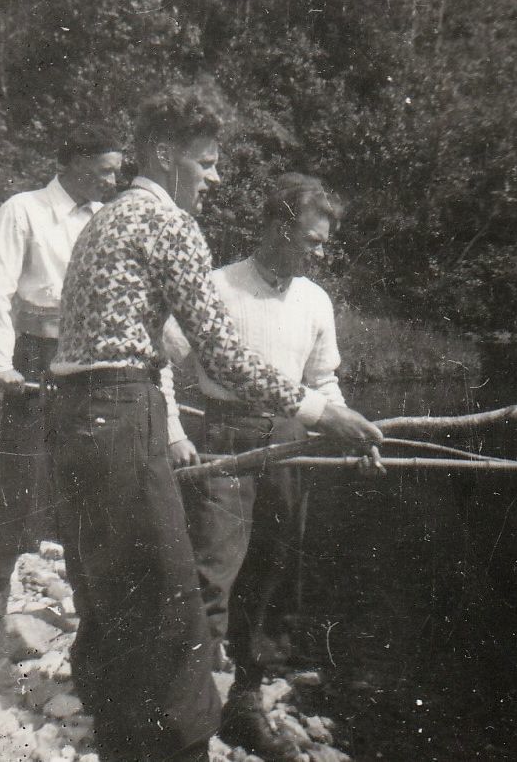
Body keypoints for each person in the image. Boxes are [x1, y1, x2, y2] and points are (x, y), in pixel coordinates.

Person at [47, 87, 383, 762]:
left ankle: (123, 742)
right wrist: (324, 412)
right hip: (124, 416)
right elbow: (225, 355)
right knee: (175, 608)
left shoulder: (102, 219)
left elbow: (140, 339)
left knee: (116, 597)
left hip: (72, 416)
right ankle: (185, 749)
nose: (216, 175)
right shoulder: (169, 225)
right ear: (166, 156)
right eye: (206, 161)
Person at [164, 173, 378, 760]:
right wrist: (174, 430)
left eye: (324, 241)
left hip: (290, 442)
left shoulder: (315, 300)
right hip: (222, 438)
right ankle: (190, 715)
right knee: (212, 570)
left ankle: (245, 704)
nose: (320, 251)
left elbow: (322, 384)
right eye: (312, 238)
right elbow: (158, 358)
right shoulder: (215, 287)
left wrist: (355, 433)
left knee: (274, 571)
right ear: (278, 227)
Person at [0, 127, 123, 640]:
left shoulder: (108, 220)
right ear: (75, 163)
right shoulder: (24, 209)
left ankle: (88, 593)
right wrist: (0, 362)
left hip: (94, 357)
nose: (114, 179)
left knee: (90, 469)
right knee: (22, 465)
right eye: (105, 169)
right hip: (36, 353)